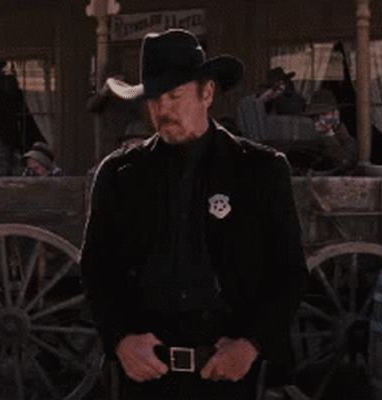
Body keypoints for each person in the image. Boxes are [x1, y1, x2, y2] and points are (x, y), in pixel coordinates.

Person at [80, 29, 307, 399]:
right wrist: (120, 340)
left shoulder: (260, 171)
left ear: (207, 93)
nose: (162, 110)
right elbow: (95, 270)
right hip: (144, 378)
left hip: (228, 377)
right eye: (154, 99)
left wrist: (251, 345)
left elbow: (290, 272)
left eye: (174, 96)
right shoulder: (119, 174)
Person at [282, 89, 357, 176]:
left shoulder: (346, 139)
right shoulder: (309, 139)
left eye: (324, 114)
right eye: (315, 117)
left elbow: (344, 162)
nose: (320, 120)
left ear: (335, 114)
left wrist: (328, 135)